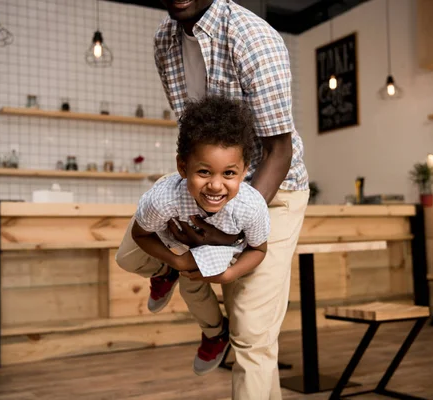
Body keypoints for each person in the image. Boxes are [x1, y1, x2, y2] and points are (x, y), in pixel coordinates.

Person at [121, 0, 310, 399]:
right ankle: (196, 302)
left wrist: (226, 232)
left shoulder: (253, 38)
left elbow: (279, 149)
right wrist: (180, 252)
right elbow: (194, 138)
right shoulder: (164, 41)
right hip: (210, 188)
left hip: (270, 189)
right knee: (133, 254)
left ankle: (220, 324)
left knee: (252, 335)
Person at [118, 95, 270, 376]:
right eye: (203, 172)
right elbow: (141, 234)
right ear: (182, 167)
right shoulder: (163, 199)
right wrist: (174, 262)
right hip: (168, 230)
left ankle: (215, 333)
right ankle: (163, 272)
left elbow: (259, 250)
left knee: (192, 284)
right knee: (124, 259)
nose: (215, 185)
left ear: (244, 172)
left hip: (221, 241)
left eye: (229, 173)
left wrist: (228, 275)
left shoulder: (250, 206)